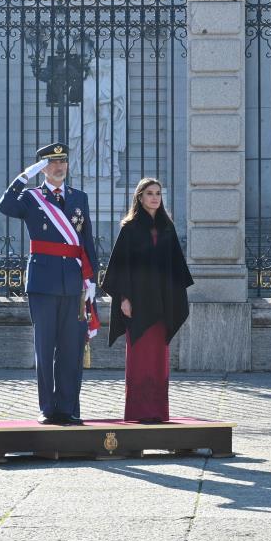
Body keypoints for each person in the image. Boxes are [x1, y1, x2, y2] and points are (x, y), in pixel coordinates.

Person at [0, 142, 98, 425]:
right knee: (45, 348)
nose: (59, 167)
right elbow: (4, 206)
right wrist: (23, 177)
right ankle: (47, 408)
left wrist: (92, 279)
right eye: (52, 163)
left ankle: (68, 408)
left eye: (63, 161)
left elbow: (86, 240)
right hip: (43, 282)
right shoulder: (31, 198)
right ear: (43, 167)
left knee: (72, 348)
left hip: (74, 284)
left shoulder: (79, 197)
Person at [100, 178, 193, 423]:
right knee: (139, 358)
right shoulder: (129, 229)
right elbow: (120, 269)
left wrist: (174, 299)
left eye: (158, 193)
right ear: (139, 198)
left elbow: (175, 269)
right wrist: (124, 299)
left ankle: (158, 412)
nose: (155, 197)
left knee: (159, 359)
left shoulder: (167, 228)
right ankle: (138, 413)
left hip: (162, 305)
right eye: (149, 193)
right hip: (138, 304)